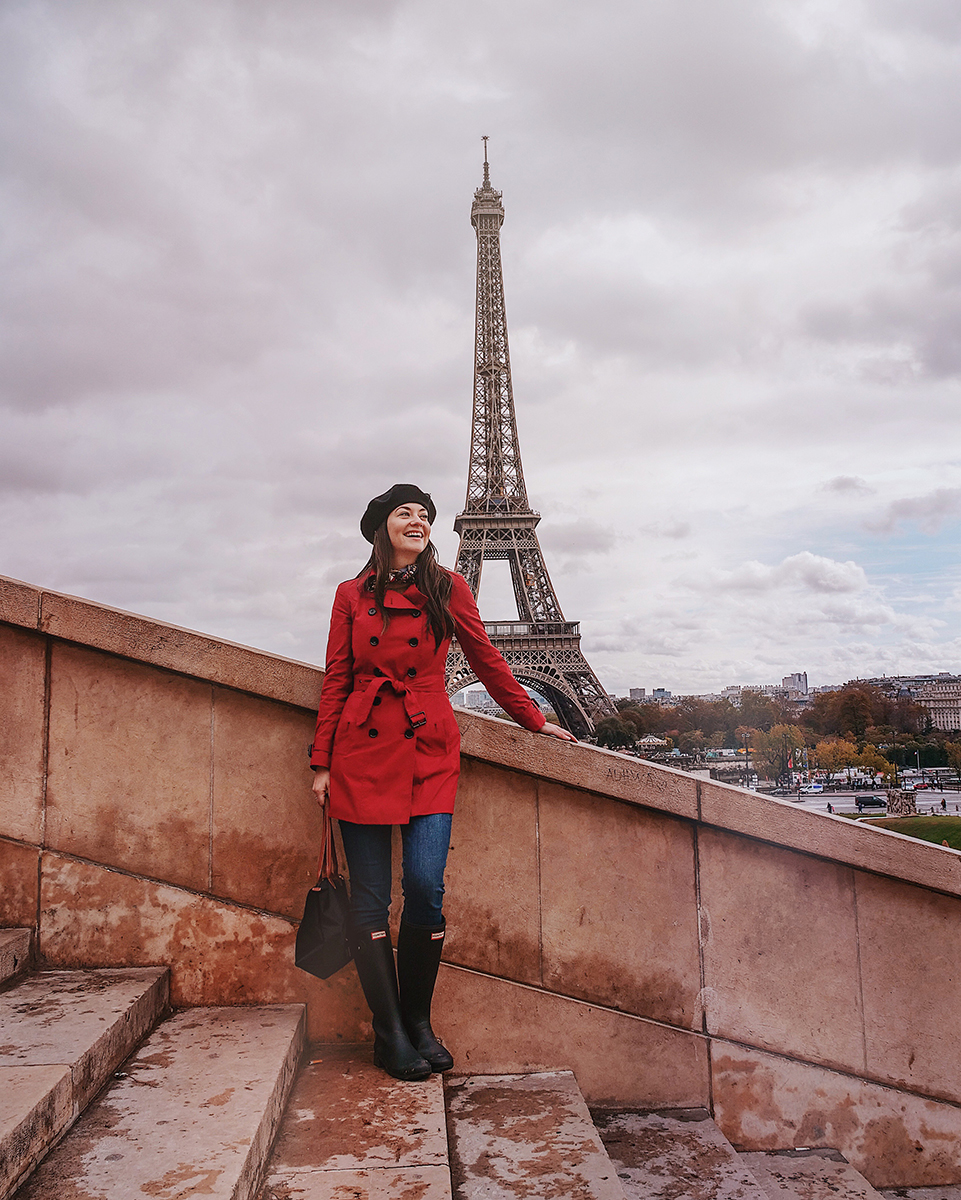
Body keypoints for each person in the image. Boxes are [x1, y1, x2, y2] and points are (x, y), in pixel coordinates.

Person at [309, 484, 576, 1082]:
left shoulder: (448, 586)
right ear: (381, 525)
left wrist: (535, 720)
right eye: (405, 512)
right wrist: (321, 762)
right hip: (362, 751)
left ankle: (418, 1019)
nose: (418, 520)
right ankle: (391, 1032)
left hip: (428, 748)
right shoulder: (350, 595)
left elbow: (486, 659)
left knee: (426, 888)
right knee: (371, 898)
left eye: (425, 515)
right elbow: (337, 678)